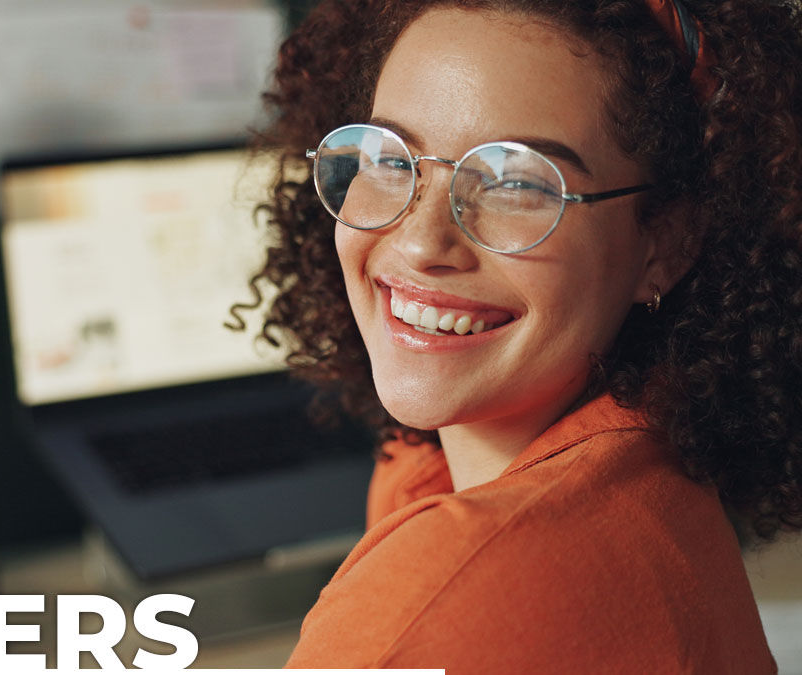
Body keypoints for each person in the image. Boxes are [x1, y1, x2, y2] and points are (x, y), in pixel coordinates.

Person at [238, 0, 802, 670]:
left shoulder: (446, 592)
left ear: (665, 244)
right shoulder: (644, 480)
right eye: (391, 159)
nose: (421, 242)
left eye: (515, 182)